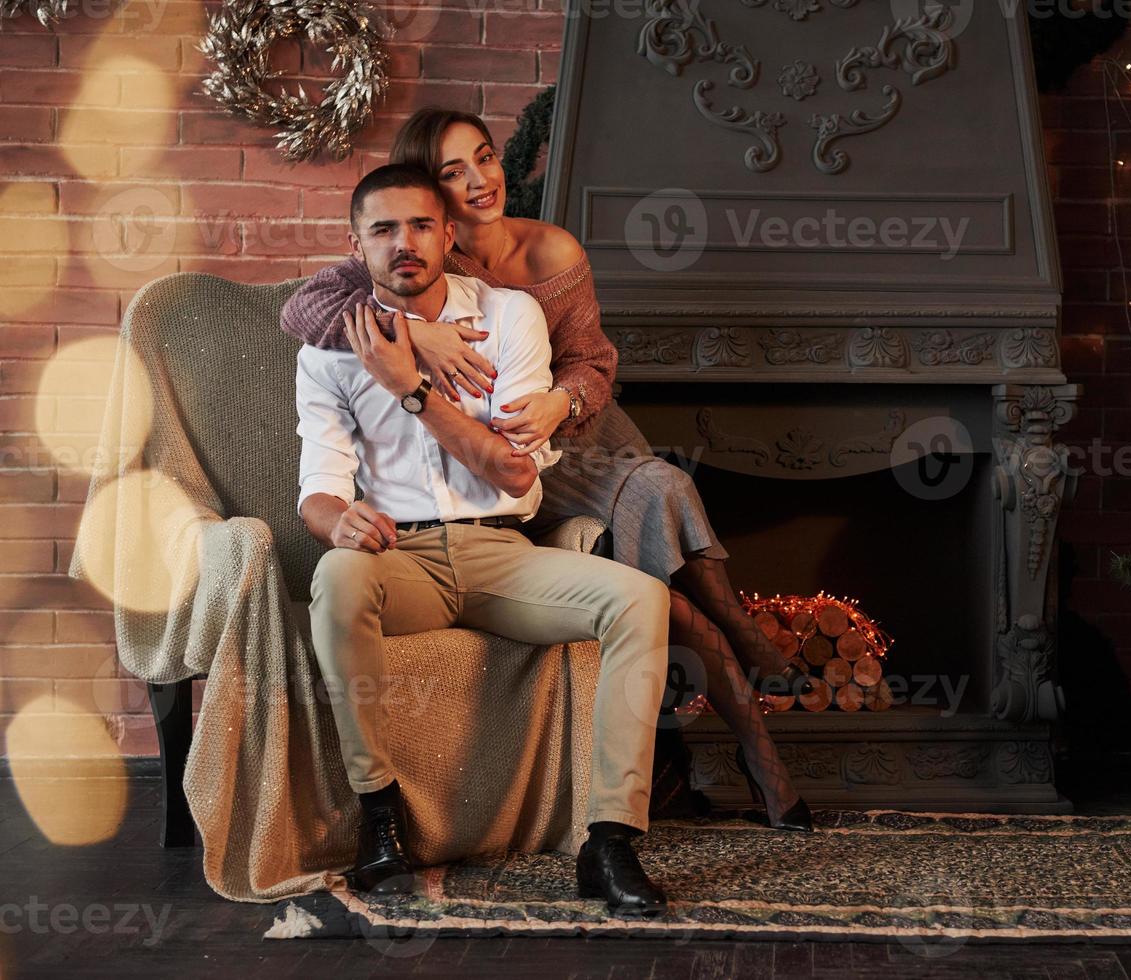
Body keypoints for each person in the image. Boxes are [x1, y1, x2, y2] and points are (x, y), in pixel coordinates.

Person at [281, 108, 812, 832]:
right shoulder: (403, 249)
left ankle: (737, 649)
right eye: (451, 171)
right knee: (651, 583)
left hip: (569, 425)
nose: (479, 181)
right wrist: (418, 335)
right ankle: (741, 736)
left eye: (485, 158)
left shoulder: (548, 253)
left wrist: (562, 400)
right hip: (499, 455)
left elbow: (592, 360)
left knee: (664, 487)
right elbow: (303, 313)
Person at [297, 162, 670, 916]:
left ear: (446, 235)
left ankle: (609, 840)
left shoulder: (508, 316)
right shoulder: (327, 350)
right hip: (398, 559)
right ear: (355, 245)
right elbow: (319, 483)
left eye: (421, 225)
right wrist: (338, 520)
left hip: (503, 555)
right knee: (337, 573)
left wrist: (412, 388)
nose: (404, 243)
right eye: (383, 229)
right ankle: (380, 818)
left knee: (640, 598)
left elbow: (507, 471)